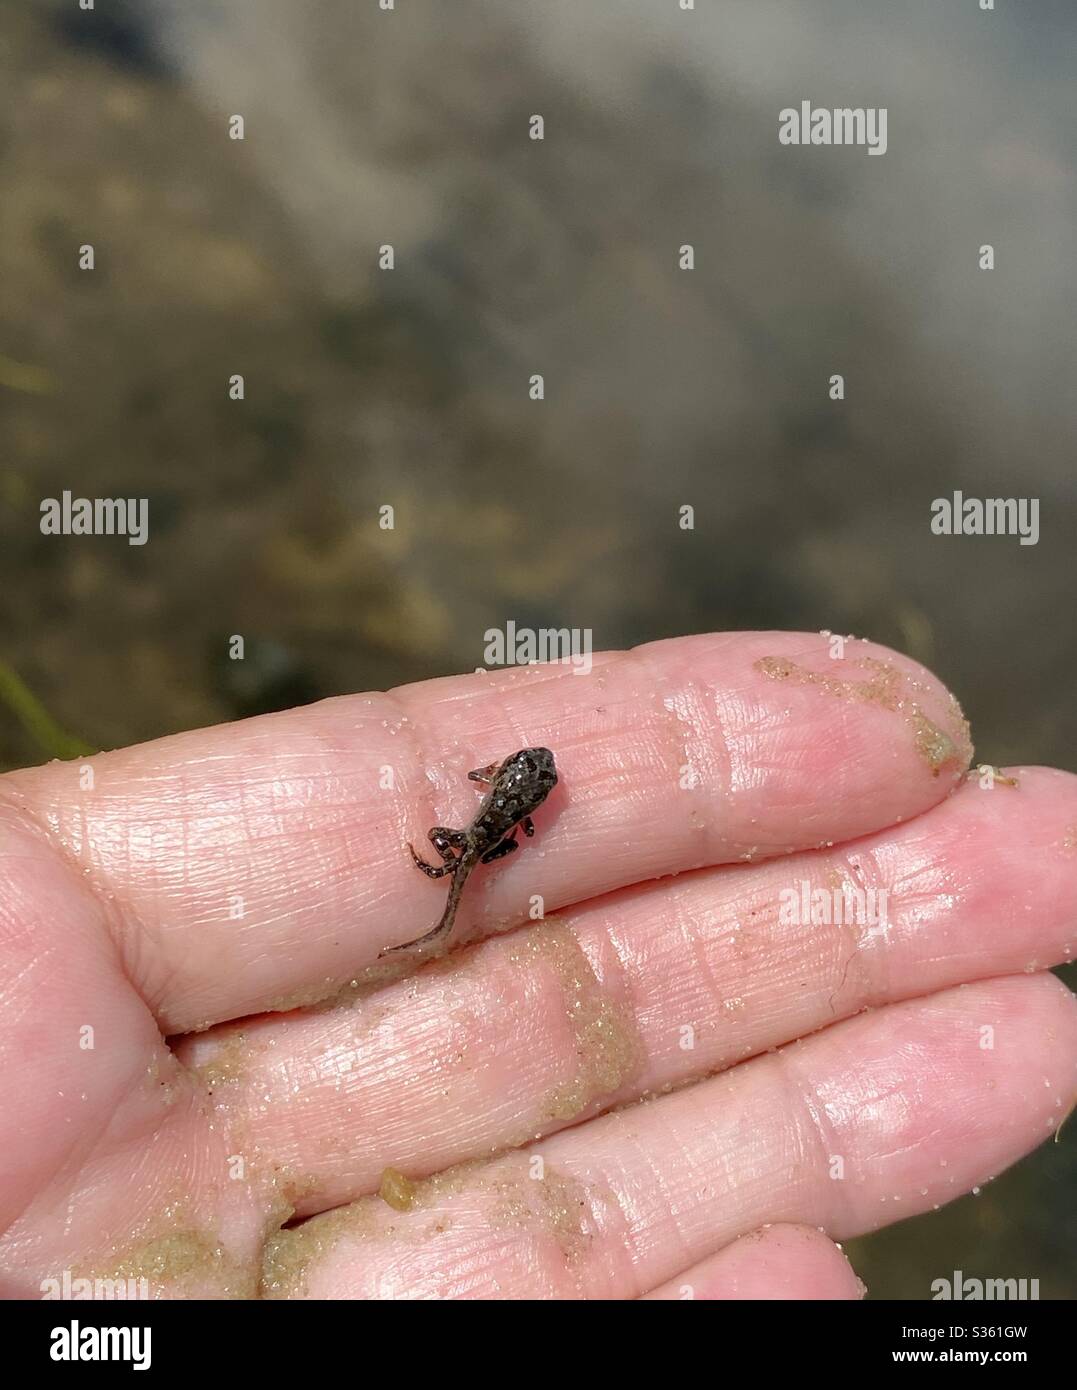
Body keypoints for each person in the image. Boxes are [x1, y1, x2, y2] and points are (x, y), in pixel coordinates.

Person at [1, 631, 1073, 1299]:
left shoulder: (511, 799)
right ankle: (433, 916)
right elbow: (505, 802)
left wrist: (484, 825)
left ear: (528, 783)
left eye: (531, 777)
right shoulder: (507, 806)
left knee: (458, 870)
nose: (532, 778)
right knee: (456, 869)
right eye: (525, 776)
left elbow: (509, 794)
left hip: (478, 830)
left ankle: (435, 915)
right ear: (519, 784)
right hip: (477, 832)